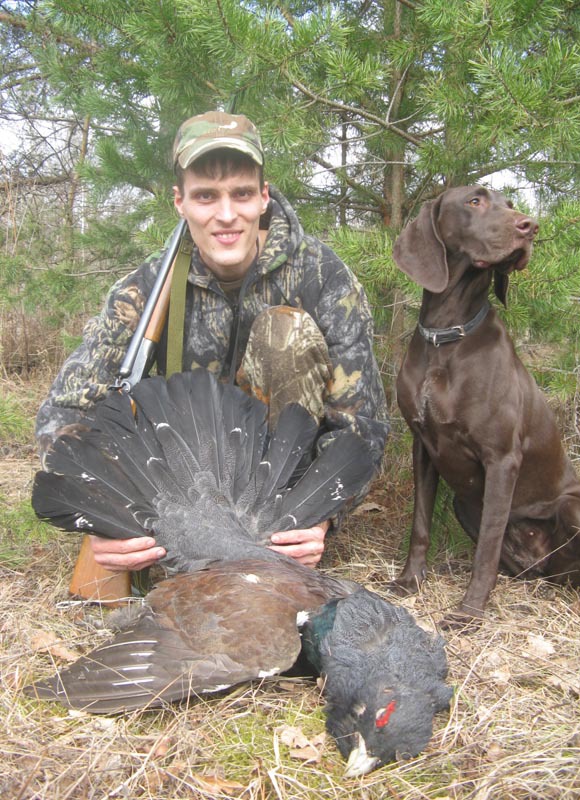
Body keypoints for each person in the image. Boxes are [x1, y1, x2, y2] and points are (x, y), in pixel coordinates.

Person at [35, 110, 390, 572]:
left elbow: (363, 425)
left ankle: (273, 547)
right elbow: (62, 415)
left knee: (284, 333)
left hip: (279, 510)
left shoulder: (323, 275)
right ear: (179, 202)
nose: (226, 215)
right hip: (179, 507)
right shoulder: (144, 289)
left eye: (241, 193)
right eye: (206, 196)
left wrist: (322, 516)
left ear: (263, 197)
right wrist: (106, 515)